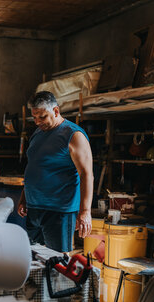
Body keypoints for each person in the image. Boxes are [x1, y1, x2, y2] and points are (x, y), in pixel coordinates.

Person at [17, 91, 93, 252]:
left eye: (42, 117)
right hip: (34, 208)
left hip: (59, 211)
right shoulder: (38, 133)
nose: (37, 122)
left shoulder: (73, 135)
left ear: (56, 111)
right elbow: (34, 166)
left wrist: (85, 212)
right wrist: (24, 198)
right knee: (34, 259)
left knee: (58, 261)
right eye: (34, 117)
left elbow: (86, 174)